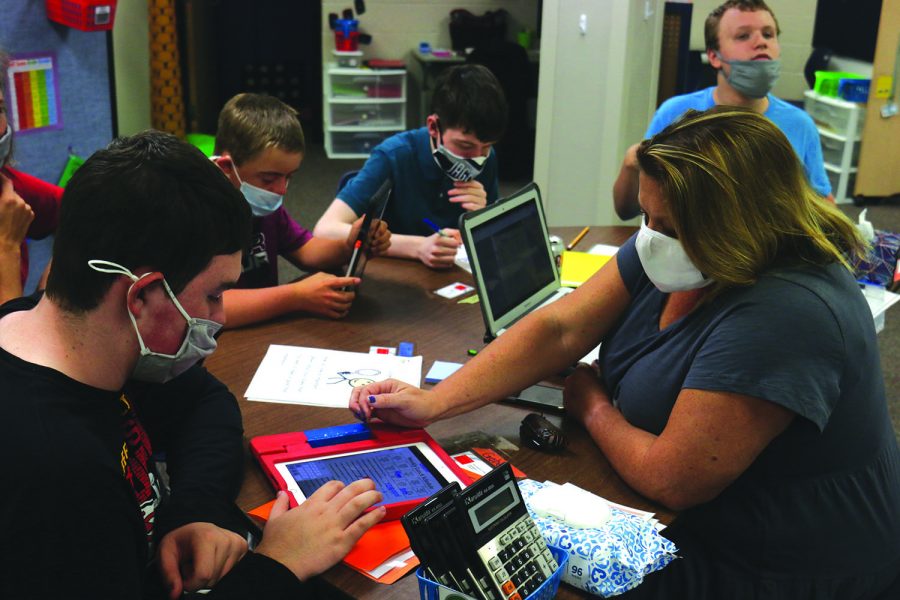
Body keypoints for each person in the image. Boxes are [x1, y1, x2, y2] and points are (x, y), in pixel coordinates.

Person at [350, 108, 900, 598]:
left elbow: (673, 477)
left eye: (667, 226)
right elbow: (560, 329)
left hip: (778, 561)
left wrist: (590, 403)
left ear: (737, 225)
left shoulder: (786, 311)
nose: (650, 237)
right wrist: (436, 401)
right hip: (697, 516)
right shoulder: (682, 246)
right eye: (647, 218)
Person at [0, 131, 386, 599]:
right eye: (214, 294)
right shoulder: (56, 476)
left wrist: (193, 510)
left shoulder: (75, 341)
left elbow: (206, 403)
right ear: (141, 295)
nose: (220, 317)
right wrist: (278, 564)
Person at [613, 0, 833, 221]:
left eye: (768, 34)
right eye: (743, 36)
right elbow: (627, 210)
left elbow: (823, 209)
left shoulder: (800, 125)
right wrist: (631, 163)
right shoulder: (676, 113)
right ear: (714, 56)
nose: (761, 43)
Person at [212, 93, 390, 326]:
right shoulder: (195, 214)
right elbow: (204, 310)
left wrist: (351, 244)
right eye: (269, 179)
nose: (282, 190)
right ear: (226, 167)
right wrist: (295, 296)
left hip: (263, 329)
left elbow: (306, 251)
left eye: (289, 177)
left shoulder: (262, 206)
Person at [314, 64, 507, 269]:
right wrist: (418, 247)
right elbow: (325, 229)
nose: (476, 158)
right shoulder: (394, 156)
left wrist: (483, 217)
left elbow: (494, 241)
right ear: (433, 127)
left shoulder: (487, 157)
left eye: (486, 147)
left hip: (450, 274)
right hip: (396, 275)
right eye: (465, 146)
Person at [0, 52, 62, 303]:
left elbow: (88, 210)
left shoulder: (9, 190)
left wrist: (50, 295)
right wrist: (7, 247)